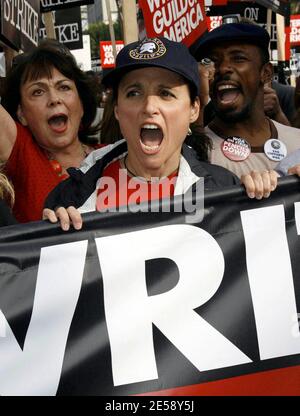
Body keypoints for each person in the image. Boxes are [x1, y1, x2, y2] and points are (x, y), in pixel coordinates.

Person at [43, 37, 254, 230]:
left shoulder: (225, 189)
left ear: (194, 109)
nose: (149, 106)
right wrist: (53, 235)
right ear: (117, 109)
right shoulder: (71, 196)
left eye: (165, 93)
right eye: (134, 93)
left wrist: (262, 198)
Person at [0, 39, 101, 223]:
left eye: (64, 87)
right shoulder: (23, 155)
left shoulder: (116, 156)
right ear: (21, 114)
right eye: (38, 92)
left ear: (82, 103)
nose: (54, 99)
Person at [191, 22, 300, 189]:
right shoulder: (194, 156)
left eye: (238, 58)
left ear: (266, 73)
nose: (223, 68)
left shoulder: (297, 142)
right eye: (212, 61)